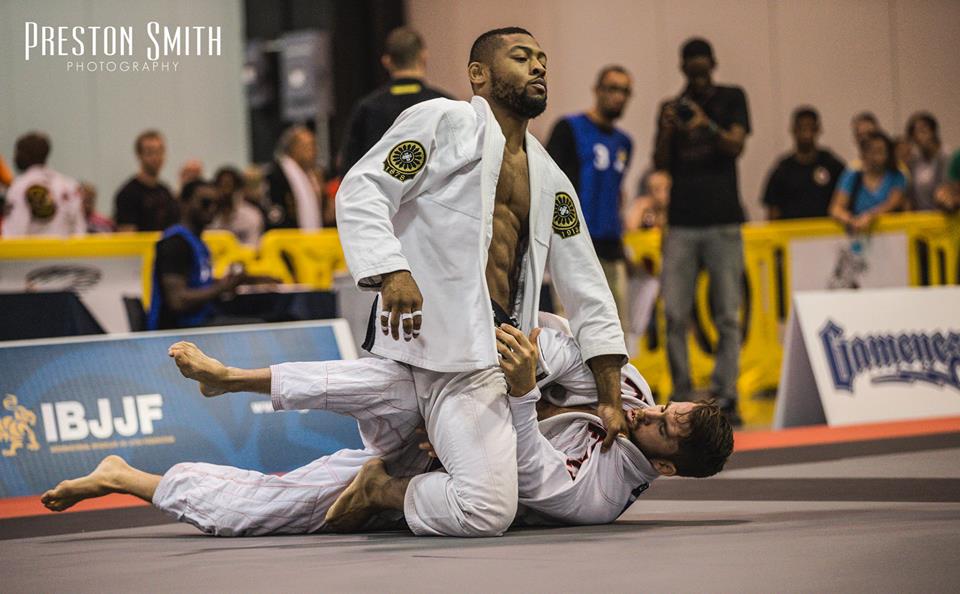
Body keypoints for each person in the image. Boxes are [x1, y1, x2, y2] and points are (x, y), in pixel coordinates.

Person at [40, 315, 732, 535]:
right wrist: (542, 367)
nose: (652, 411)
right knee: (398, 382)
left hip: (440, 476)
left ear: (665, 465)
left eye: (664, 428)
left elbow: (528, 479)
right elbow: (566, 339)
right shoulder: (631, 388)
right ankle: (237, 380)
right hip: (440, 412)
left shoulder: (603, 494)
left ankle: (129, 478)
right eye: (669, 406)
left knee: (271, 511)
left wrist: (521, 396)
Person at [332, 27, 627, 538]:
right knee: (311, 496)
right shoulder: (443, 121)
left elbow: (587, 283)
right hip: (422, 345)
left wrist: (609, 397)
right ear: (479, 74)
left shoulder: (550, 175)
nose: (538, 67)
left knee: (487, 504)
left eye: (542, 58)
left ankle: (381, 491)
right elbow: (362, 188)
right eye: (521, 57)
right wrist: (392, 268)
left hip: (484, 355)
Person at [652, 37, 749, 424]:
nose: (697, 71)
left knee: (727, 314)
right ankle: (682, 393)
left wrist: (704, 124)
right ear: (682, 67)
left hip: (724, 219)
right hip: (682, 223)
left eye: (701, 64)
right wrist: (669, 128)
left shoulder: (732, 98)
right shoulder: (670, 108)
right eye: (690, 65)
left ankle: (726, 395)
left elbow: (735, 146)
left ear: (712, 63)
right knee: (674, 313)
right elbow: (660, 162)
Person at [546, 65, 634, 329]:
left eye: (626, 91)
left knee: (618, 326)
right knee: (572, 326)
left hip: (611, 247)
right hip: (574, 243)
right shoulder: (570, 128)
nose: (619, 96)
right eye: (613, 88)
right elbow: (550, 184)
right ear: (597, 90)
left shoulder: (624, 142)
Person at [146, 179, 263, 331]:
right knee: (256, 326)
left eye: (217, 204)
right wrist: (222, 287)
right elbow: (177, 300)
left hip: (201, 322)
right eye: (205, 203)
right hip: (178, 332)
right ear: (184, 203)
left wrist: (239, 281)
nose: (212, 209)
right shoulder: (175, 244)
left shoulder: (198, 243)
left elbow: (197, 283)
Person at [339, 27, 451, 175]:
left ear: (387, 61)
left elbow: (349, 173)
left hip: (383, 198)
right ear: (424, 56)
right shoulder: (447, 106)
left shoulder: (367, 109)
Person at [762, 107, 845, 220]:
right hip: (792, 234)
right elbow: (773, 210)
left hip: (827, 234)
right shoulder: (783, 169)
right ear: (793, 130)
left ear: (818, 129)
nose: (806, 134)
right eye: (802, 128)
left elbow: (846, 196)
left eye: (810, 128)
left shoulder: (831, 164)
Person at [1, 132, 85, 237]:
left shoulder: (20, 187)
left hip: (33, 252)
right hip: (66, 252)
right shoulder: (70, 185)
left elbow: (13, 233)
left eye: (17, 152)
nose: (14, 158)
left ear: (26, 155)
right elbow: (79, 230)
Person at [829, 131, 906, 232]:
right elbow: (835, 209)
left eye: (881, 151)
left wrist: (870, 216)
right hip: (858, 234)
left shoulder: (897, 176)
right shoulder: (852, 176)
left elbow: (892, 204)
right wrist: (850, 220)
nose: (876, 157)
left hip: (892, 235)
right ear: (863, 154)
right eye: (872, 151)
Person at [263, 126, 328, 230]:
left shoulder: (313, 176)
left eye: (314, 147)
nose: (313, 152)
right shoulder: (277, 175)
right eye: (307, 146)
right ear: (293, 148)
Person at [114, 130, 179, 232]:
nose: (156, 157)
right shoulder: (127, 194)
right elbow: (126, 235)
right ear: (139, 155)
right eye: (150, 152)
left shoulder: (165, 192)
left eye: (160, 152)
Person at [904, 112, 948, 212]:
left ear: (933, 131)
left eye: (923, 131)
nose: (919, 137)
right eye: (914, 134)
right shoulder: (913, 163)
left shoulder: (947, 157)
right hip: (922, 216)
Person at [209, 166, 264, 246]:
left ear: (238, 189)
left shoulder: (252, 216)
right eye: (221, 186)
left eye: (228, 186)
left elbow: (253, 248)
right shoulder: (209, 216)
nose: (225, 192)